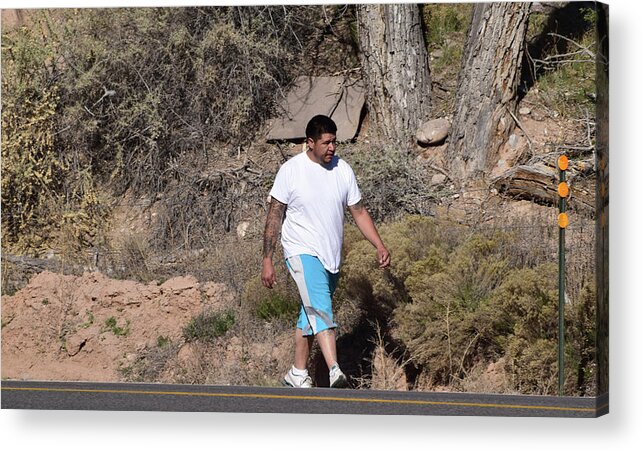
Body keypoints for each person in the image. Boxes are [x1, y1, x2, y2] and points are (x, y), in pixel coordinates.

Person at [261, 114, 391, 388]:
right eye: (326, 143)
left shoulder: (343, 170)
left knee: (310, 313)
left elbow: (358, 211)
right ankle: (335, 370)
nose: (332, 148)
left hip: (331, 256)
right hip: (301, 250)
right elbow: (275, 215)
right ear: (310, 143)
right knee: (321, 307)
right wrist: (267, 259)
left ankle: (297, 373)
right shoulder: (291, 171)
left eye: (335, 142)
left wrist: (378, 244)